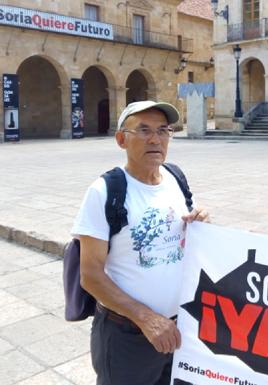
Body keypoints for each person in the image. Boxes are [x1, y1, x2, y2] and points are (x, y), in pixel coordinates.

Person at [71, 101, 210, 385]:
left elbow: (189, 230)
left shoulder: (175, 178)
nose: (155, 139)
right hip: (128, 335)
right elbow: (91, 275)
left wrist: (201, 220)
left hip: (178, 327)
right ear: (121, 139)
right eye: (143, 130)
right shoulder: (104, 191)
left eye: (163, 130)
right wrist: (147, 319)